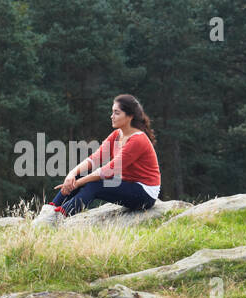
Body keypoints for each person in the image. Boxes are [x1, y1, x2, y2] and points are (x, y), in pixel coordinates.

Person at [35, 94, 161, 224]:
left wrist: (77, 184)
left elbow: (108, 171)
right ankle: (49, 211)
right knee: (79, 175)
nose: (112, 116)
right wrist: (71, 175)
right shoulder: (117, 135)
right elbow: (94, 159)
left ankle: (56, 219)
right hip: (129, 184)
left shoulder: (138, 140)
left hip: (145, 194)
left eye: (116, 113)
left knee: (95, 184)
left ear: (130, 116)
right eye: (112, 112)